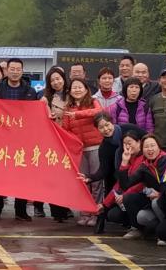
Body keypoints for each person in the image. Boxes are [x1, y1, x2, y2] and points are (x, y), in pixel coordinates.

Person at [62, 79, 104, 226]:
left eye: (80, 87)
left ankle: (96, 213)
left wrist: (78, 115)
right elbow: (66, 129)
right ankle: (85, 212)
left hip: (96, 147)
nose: (77, 90)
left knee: (96, 182)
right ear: (70, 91)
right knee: (83, 182)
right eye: (74, 87)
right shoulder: (68, 107)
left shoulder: (93, 102)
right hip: (79, 150)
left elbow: (99, 112)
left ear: (86, 90)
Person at [111, 134, 166, 237]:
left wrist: (162, 194)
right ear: (142, 150)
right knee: (140, 214)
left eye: (152, 145)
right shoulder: (144, 166)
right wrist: (124, 161)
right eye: (146, 147)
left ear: (159, 147)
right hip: (154, 200)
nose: (150, 149)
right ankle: (138, 229)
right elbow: (125, 185)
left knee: (156, 203)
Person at [98, 131, 146, 237]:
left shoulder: (144, 158)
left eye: (130, 143)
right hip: (129, 196)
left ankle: (138, 228)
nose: (127, 146)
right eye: (125, 143)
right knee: (113, 214)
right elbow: (120, 183)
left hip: (144, 195)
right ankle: (133, 223)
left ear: (139, 142)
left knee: (129, 199)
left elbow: (140, 183)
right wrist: (105, 204)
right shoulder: (127, 158)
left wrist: (124, 195)